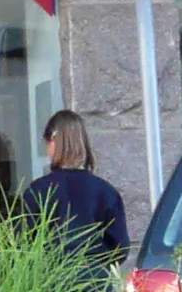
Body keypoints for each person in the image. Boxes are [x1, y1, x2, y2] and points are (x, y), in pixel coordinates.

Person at [18, 110, 129, 271]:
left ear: (52, 142)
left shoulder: (38, 191)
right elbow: (120, 247)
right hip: (95, 283)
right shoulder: (106, 192)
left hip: (50, 284)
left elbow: (24, 245)